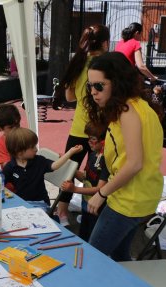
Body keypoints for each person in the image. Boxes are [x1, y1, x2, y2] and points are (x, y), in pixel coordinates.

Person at [84, 52, 163, 261]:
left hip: (129, 198)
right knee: (120, 256)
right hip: (138, 194)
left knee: (92, 257)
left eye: (99, 86)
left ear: (117, 83)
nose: (93, 92)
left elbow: (135, 163)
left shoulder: (127, 111)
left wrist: (101, 193)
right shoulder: (136, 105)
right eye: (89, 86)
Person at [57, 24, 110, 225]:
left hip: (79, 128)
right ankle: (93, 211)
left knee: (69, 171)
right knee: (100, 175)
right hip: (102, 130)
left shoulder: (78, 63)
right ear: (105, 43)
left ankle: (62, 213)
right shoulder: (107, 65)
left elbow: (69, 96)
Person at [2, 127, 83, 212]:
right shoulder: (10, 167)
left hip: (41, 203)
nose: (36, 149)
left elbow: (55, 166)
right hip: (22, 203)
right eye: (32, 147)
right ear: (19, 152)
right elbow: (0, 184)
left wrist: (70, 152)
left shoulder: (39, 161)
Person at [60, 121, 109, 241]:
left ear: (104, 141)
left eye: (92, 139)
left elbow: (99, 189)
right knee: (83, 234)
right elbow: (86, 178)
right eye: (88, 138)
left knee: (93, 239)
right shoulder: (93, 156)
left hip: (97, 208)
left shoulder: (105, 161)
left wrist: (74, 189)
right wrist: (69, 165)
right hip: (86, 205)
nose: (88, 142)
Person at [0, 103, 21, 169]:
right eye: (11, 127)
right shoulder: (1, 144)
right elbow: (7, 168)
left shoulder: (25, 137)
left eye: (17, 125)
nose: (15, 129)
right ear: (0, 128)